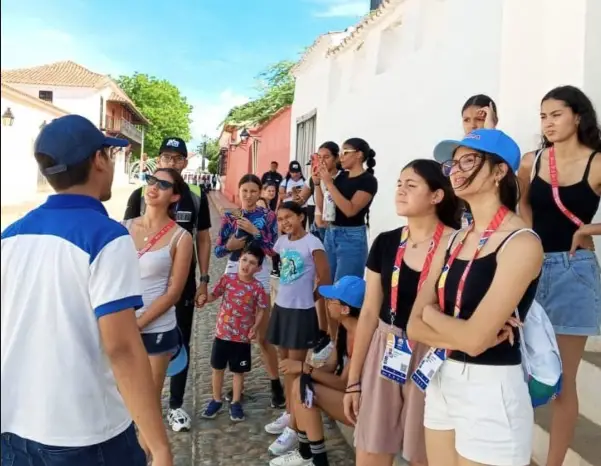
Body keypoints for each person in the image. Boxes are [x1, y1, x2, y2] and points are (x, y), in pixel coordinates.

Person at [0, 115, 172, 466]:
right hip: (88, 433)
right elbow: (122, 347)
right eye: (109, 153)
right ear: (98, 160)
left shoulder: (10, 236)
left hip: (13, 428)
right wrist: (158, 443)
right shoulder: (106, 237)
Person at [406, 128, 543, 466]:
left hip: (491, 389)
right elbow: (412, 325)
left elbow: (477, 340)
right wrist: (462, 333)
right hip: (442, 376)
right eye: (453, 163)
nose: (457, 170)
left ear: (500, 171)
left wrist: (435, 318)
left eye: (470, 160)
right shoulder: (454, 240)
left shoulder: (522, 242)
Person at [345, 159, 461, 466]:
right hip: (386, 348)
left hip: (433, 356)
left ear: (437, 196)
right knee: (371, 448)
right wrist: (354, 381)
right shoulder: (385, 242)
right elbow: (369, 312)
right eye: (399, 184)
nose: (400, 191)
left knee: (425, 452)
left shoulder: (458, 244)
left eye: (411, 185)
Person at [517, 85, 601, 466]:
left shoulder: (597, 161)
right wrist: (528, 243)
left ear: (578, 116)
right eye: (543, 116)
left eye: (556, 114)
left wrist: (589, 230)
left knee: (562, 382)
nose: (548, 123)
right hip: (530, 271)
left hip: (574, 273)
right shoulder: (531, 161)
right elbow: (520, 203)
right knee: (520, 372)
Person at [124, 137, 212, 432]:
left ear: (185, 163)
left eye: (177, 158)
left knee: (180, 344)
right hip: (135, 295)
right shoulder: (138, 196)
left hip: (178, 286)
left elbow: (203, 237)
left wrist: (203, 280)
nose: (170, 162)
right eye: (165, 157)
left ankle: (174, 405)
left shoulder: (196, 196)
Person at [122, 168, 193, 454]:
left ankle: (143, 459)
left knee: (146, 407)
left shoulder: (181, 237)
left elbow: (173, 292)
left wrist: (138, 324)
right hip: (121, 325)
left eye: (163, 185)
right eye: (151, 180)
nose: (153, 187)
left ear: (174, 196)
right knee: (120, 402)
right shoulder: (124, 226)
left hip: (156, 330)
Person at [270, 275, 366, 466]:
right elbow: (331, 365)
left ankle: (313, 458)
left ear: (346, 309)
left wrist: (305, 368)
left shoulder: (363, 337)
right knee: (301, 383)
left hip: (362, 406)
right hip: (348, 398)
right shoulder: (344, 328)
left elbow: (345, 383)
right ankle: (307, 454)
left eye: (332, 300)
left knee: (306, 388)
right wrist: (307, 371)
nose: (327, 303)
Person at [264, 201, 331, 456]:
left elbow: (325, 277)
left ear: (301, 217)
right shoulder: (281, 243)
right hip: (281, 307)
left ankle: (294, 426)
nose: (284, 223)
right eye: (280, 219)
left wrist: (309, 299)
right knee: (284, 363)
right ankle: (290, 412)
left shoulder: (312, 243)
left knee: (295, 369)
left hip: (301, 312)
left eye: (289, 217)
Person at [212, 174, 284, 407]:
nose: (249, 195)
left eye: (254, 191)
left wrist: (255, 231)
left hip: (260, 271)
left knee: (262, 335)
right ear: (240, 191)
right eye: (245, 191)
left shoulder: (269, 216)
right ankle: (235, 389)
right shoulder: (230, 217)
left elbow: (274, 250)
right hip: (234, 269)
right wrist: (230, 246)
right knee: (231, 330)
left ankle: (275, 383)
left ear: (260, 191)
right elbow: (218, 251)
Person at [196, 245, 269, 422]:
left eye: (252, 263)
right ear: (239, 260)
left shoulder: (257, 288)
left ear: (258, 268)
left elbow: (261, 309)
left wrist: (256, 327)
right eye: (244, 260)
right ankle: (216, 399)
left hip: (242, 338)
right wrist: (205, 298)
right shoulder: (227, 279)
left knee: (238, 371)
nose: (246, 265)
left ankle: (236, 402)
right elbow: (215, 294)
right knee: (217, 369)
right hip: (222, 334)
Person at [314, 137, 378, 281]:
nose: (341, 157)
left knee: (344, 289)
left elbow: (350, 210)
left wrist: (329, 184)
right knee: (326, 282)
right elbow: (324, 207)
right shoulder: (341, 177)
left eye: (345, 153)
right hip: (332, 233)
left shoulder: (368, 180)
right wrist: (317, 184)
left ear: (359, 155)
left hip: (351, 237)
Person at [459, 95, 498, 227]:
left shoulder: (500, 150)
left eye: (480, 119)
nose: (472, 126)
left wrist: (489, 131)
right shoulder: (455, 153)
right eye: (466, 120)